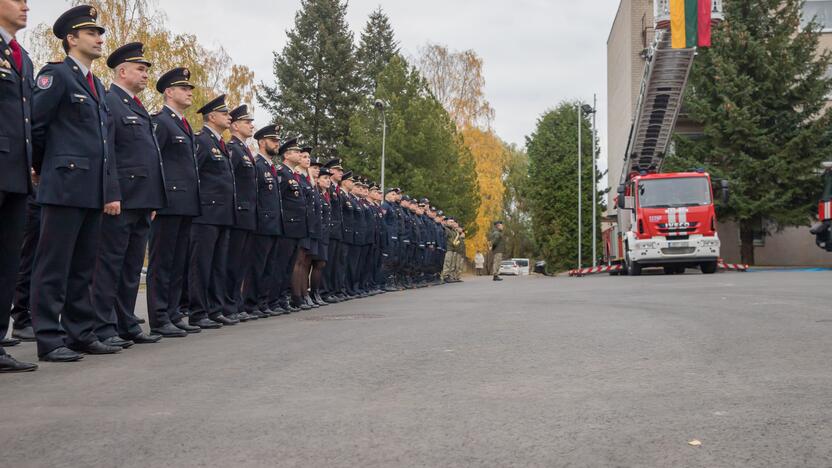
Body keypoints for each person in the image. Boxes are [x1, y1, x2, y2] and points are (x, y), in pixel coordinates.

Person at [30, 5, 122, 361]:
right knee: (54, 265)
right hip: (64, 183)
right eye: (92, 33)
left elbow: (103, 142)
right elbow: (36, 126)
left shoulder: (95, 84)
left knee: (84, 266)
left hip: (91, 188)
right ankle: (49, 339)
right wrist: (45, 168)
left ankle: (80, 332)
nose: (100, 39)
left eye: (100, 34)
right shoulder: (56, 75)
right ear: (71, 38)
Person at [89, 42, 165, 348]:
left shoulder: (135, 105)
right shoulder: (110, 101)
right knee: (109, 264)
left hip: (142, 199)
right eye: (140, 69)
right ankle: (102, 324)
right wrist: (111, 193)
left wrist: (154, 200)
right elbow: (109, 153)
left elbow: (148, 156)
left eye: (146, 69)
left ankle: (125, 321)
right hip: (121, 198)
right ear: (122, 71)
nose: (146, 74)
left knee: (132, 265)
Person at [147, 66, 200, 338]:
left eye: (190, 88)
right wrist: (154, 199)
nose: (190, 92)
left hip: (186, 204)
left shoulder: (182, 124)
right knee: (162, 262)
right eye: (184, 88)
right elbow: (153, 160)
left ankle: (172, 313)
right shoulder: (161, 121)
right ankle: (158, 316)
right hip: (167, 202)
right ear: (169, 92)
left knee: (178, 261)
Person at [0, 0, 37, 372]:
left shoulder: (21, 57)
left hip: (16, 172)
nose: (26, 6)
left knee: (8, 261)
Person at [188, 94, 236, 329]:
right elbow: (193, 174)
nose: (229, 117)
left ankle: (215, 309)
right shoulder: (202, 140)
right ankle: (198, 311)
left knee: (219, 264)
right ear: (212, 116)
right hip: (206, 214)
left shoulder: (220, 144)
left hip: (223, 215)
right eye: (225, 113)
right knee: (202, 264)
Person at [241, 124, 284, 318]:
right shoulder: (257, 164)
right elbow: (254, 196)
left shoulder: (270, 166)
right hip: (262, 224)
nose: (277, 144)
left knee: (269, 266)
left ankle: (262, 301)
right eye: (273, 141)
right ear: (261, 142)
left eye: (277, 141)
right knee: (256, 266)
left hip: (274, 224)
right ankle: (251, 303)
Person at [224, 105, 258, 322]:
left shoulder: (245, 150)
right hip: (238, 212)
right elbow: (231, 182)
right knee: (232, 262)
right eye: (247, 122)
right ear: (235, 125)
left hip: (248, 214)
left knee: (242, 262)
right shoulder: (233, 149)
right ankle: (228, 305)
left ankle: (236, 302)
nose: (251, 125)